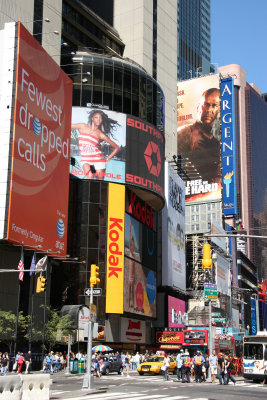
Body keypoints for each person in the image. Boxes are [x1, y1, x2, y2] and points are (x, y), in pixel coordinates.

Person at [178, 88, 220, 182]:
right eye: (206, 104)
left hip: (208, 194)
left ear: (219, 110)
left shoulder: (216, 143)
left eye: (214, 106)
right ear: (198, 107)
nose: (209, 110)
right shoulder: (185, 133)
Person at [72, 109, 120, 180]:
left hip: (99, 161)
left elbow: (117, 148)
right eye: (96, 117)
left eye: (100, 118)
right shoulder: (83, 126)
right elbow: (67, 126)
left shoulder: (101, 134)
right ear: (92, 118)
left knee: (99, 183)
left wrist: (107, 158)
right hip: (85, 159)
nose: (98, 120)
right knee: (90, 176)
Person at [128, 220, 135, 309]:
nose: (132, 247)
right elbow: (129, 237)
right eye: (131, 245)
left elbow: (134, 267)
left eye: (133, 246)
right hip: (130, 276)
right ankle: (129, 302)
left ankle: (132, 303)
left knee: (132, 290)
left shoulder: (133, 256)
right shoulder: (130, 255)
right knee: (129, 290)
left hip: (133, 276)